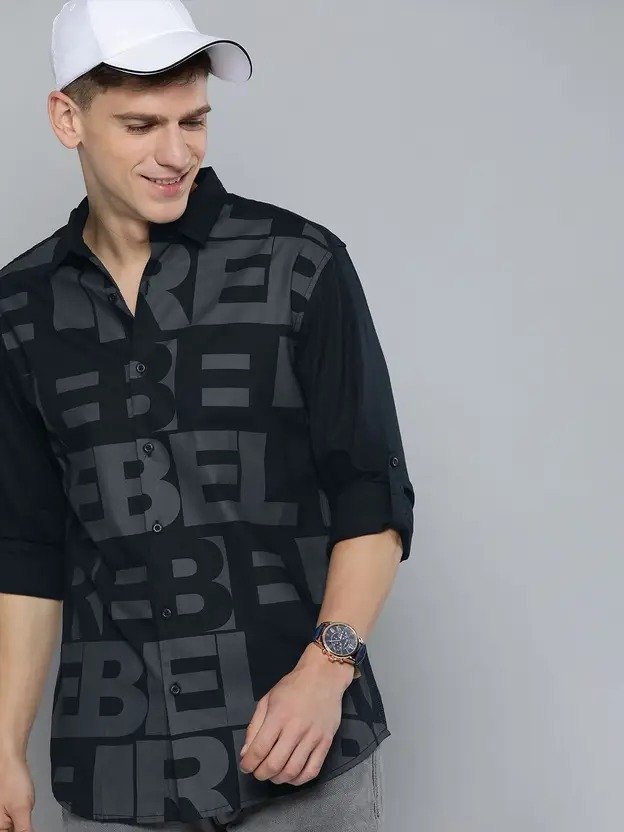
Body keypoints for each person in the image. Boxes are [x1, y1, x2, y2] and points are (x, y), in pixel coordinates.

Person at [0, 0, 415, 829]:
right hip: (117, 774)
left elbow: (372, 493)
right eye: (141, 125)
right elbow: (27, 546)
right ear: (67, 119)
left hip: (298, 754)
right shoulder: (21, 310)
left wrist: (326, 670)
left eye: (193, 121)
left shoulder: (299, 265)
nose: (176, 153)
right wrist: (6, 744)